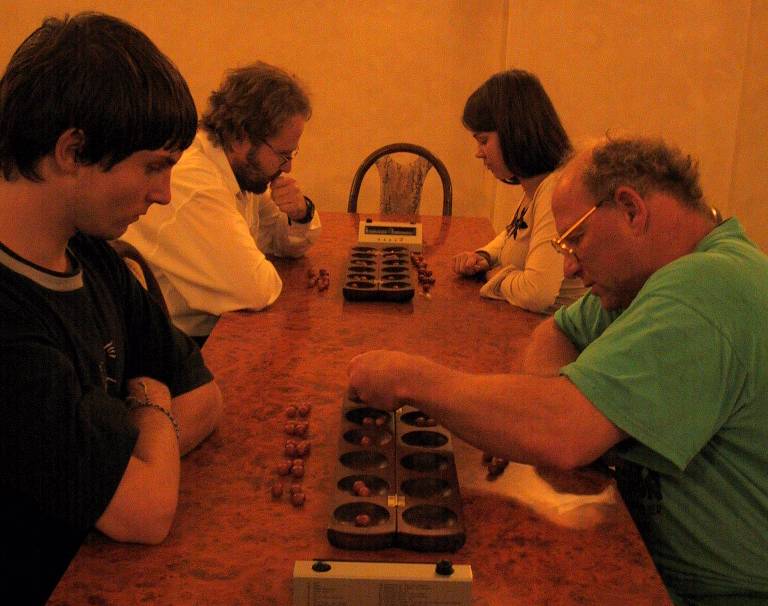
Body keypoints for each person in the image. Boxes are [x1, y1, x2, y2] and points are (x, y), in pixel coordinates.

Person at [348, 137, 768, 604]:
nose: (568, 266)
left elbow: (562, 435)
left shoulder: (706, 287)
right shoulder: (649, 278)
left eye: (576, 240)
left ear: (631, 210)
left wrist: (413, 380)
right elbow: (555, 331)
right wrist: (545, 403)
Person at [0, 13, 223, 603]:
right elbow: (144, 512)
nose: (164, 194)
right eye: (154, 165)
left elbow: (205, 398)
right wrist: (150, 405)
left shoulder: (89, 253)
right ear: (72, 150)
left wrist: (131, 456)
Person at [123, 62, 320, 343]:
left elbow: (282, 243)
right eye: (282, 155)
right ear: (240, 137)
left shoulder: (241, 170)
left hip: (208, 330)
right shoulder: (195, 185)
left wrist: (300, 214)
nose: (287, 167)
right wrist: (257, 261)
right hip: (170, 343)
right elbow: (254, 290)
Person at [452, 70, 585, 313]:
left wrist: (495, 276)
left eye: (483, 141)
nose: (478, 153)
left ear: (514, 133)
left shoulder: (555, 191)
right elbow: (514, 234)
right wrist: (484, 256)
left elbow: (537, 292)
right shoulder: (537, 185)